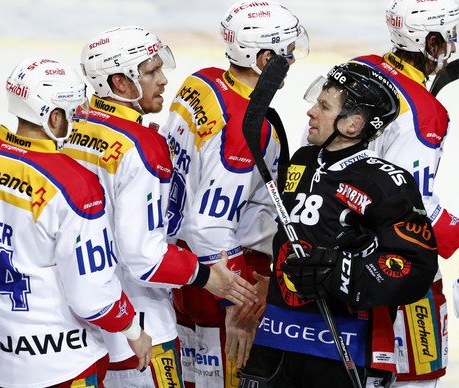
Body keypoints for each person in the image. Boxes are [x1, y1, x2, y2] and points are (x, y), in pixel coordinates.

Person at [64, 25, 259, 388]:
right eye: (151, 72)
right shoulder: (142, 145)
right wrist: (205, 276)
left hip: (84, 321)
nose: (163, 80)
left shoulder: (75, 122)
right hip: (140, 325)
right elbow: (145, 257)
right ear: (120, 83)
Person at [0, 56, 152, 388]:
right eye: (75, 113)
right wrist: (132, 330)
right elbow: (92, 295)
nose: (80, 120)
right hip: (58, 363)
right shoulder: (74, 183)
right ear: (54, 116)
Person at [239, 61, 439, 388]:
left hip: (340, 349)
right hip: (275, 341)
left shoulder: (387, 184)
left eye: (324, 106)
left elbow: (414, 268)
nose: (311, 112)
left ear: (352, 124)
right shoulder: (301, 161)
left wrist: (344, 273)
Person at [158, 1, 309, 386]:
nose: (291, 62)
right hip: (224, 276)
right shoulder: (244, 126)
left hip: (186, 268)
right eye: (286, 54)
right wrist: (237, 303)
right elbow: (209, 223)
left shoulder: (201, 82)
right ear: (263, 58)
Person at [349, 0, 459, 385]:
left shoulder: (356, 68)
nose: (453, 44)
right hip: (395, 268)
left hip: (338, 252)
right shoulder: (424, 112)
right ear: (430, 42)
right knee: (418, 380)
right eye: (449, 36)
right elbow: (415, 208)